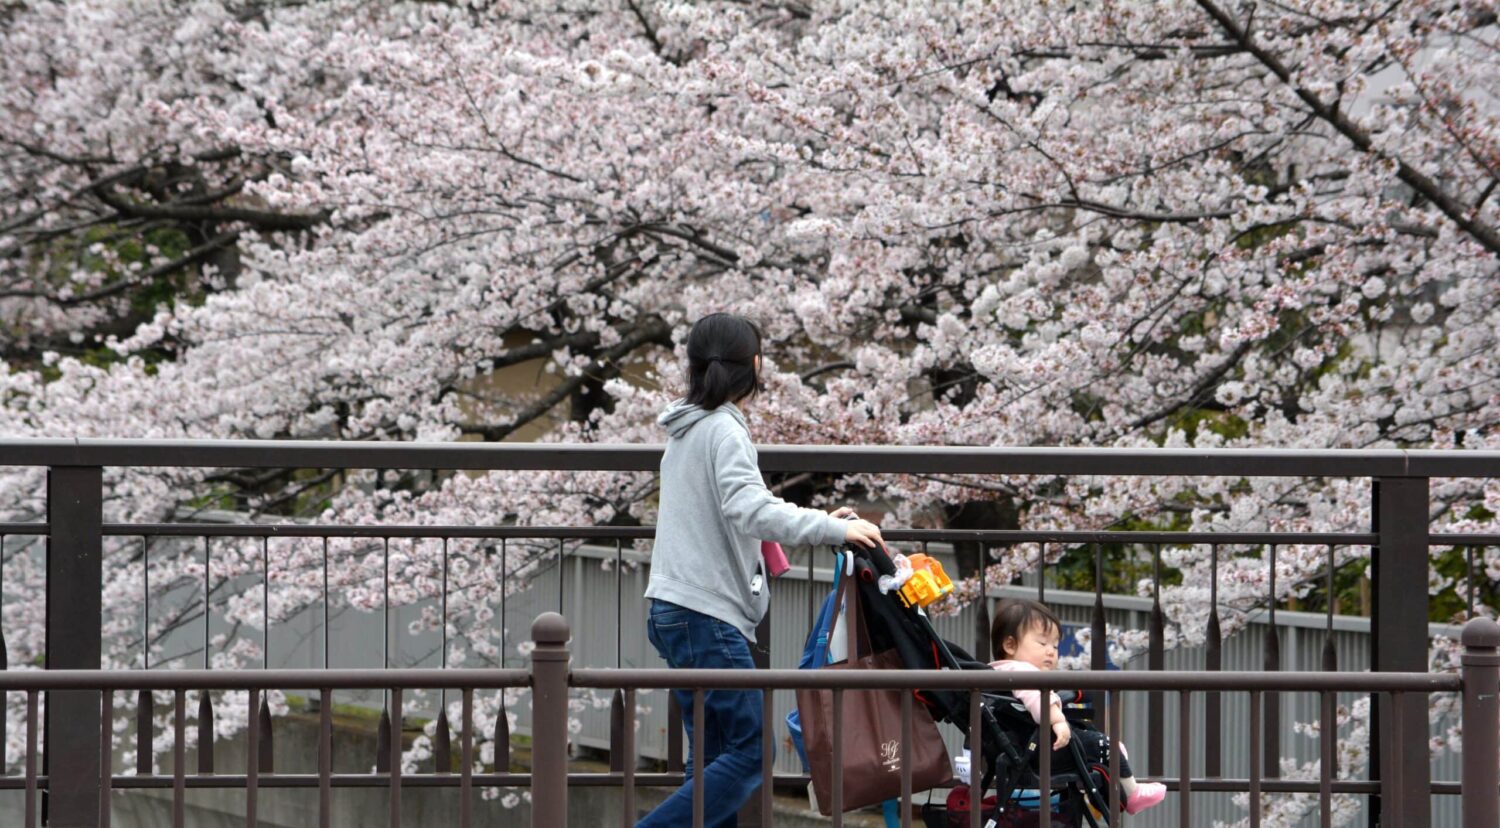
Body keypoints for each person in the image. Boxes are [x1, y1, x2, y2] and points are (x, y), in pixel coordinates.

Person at [639, 312, 885, 828]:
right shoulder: (724, 427)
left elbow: (735, 503)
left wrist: (820, 519)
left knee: (711, 760)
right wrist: (831, 530)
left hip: (673, 607)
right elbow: (748, 509)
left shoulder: (685, 428)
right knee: (752, 752)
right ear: (753, 365)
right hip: (705, 613)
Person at [989, 599, 1167, 815]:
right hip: (1040, 748)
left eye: (1055, 646)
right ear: (1010, 645)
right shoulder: (1020, 672)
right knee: (1104, 745)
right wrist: (1057, 720)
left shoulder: (998, 673)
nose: (1051, 652)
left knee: (1095, 740)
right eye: (1042, 643)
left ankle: (1105, 788)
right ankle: (1132, 793)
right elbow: (1038, 700)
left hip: (1026, 745)